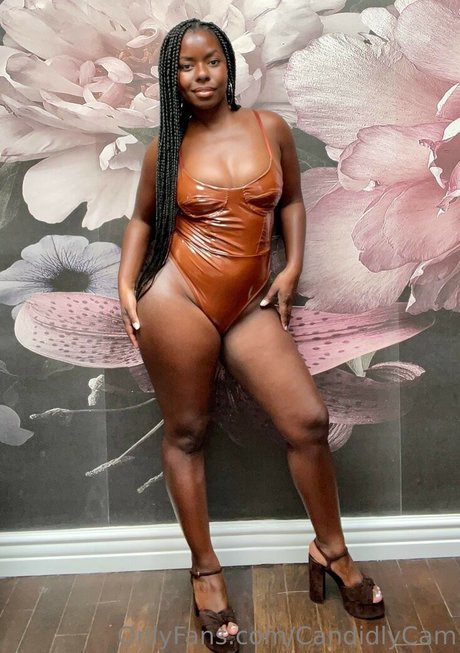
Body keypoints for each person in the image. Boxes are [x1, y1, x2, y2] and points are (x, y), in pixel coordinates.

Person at [118, 17, 385, 652]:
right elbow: (141, 219)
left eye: (211, 61)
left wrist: (291, 269)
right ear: (172, 78)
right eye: (186, 66)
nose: (201, 75)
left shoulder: (271, 129)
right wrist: (127, 285)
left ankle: (331, 550)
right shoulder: (165, 149)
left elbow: (291, 201)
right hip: (178, 297)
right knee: (188, 433)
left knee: (307, 422)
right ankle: (205, 573)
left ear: (228, 65)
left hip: (250, 303)